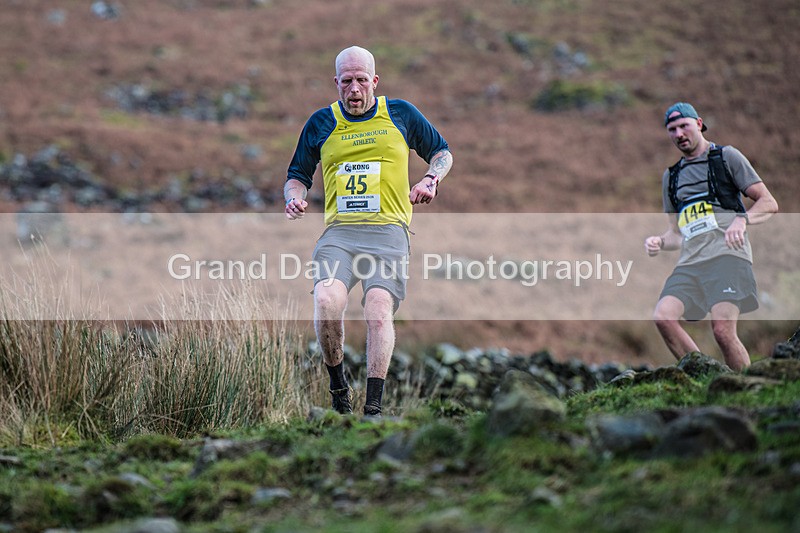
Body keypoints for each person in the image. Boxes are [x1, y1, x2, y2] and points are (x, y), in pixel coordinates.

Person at [284, 46, 453, 416]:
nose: (355, 89)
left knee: (378, 311)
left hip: (389, 232)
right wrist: (293, 199)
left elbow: (442, 152)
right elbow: (297, 176)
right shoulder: (321, 123)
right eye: (347, 81)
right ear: (337, 84)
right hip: (340, 234)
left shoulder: (400, 113)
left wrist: (430, 179)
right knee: (327, 303)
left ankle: (373, 408)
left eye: (362, 80)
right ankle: (339, 391)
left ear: (374, 81)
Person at [644, 102, 778, 371]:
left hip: (727, 258)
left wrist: (743, 219)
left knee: (722, 332)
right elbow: (676, 234)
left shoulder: (727, 157)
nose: (679, 134)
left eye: (684, 126)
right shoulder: (671, 177)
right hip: (690, 264)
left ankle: (743, 390)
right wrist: (659, 241)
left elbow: (768, 202)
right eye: (672, 129)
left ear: (699, 123)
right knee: (663, 317)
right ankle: (705, 376)